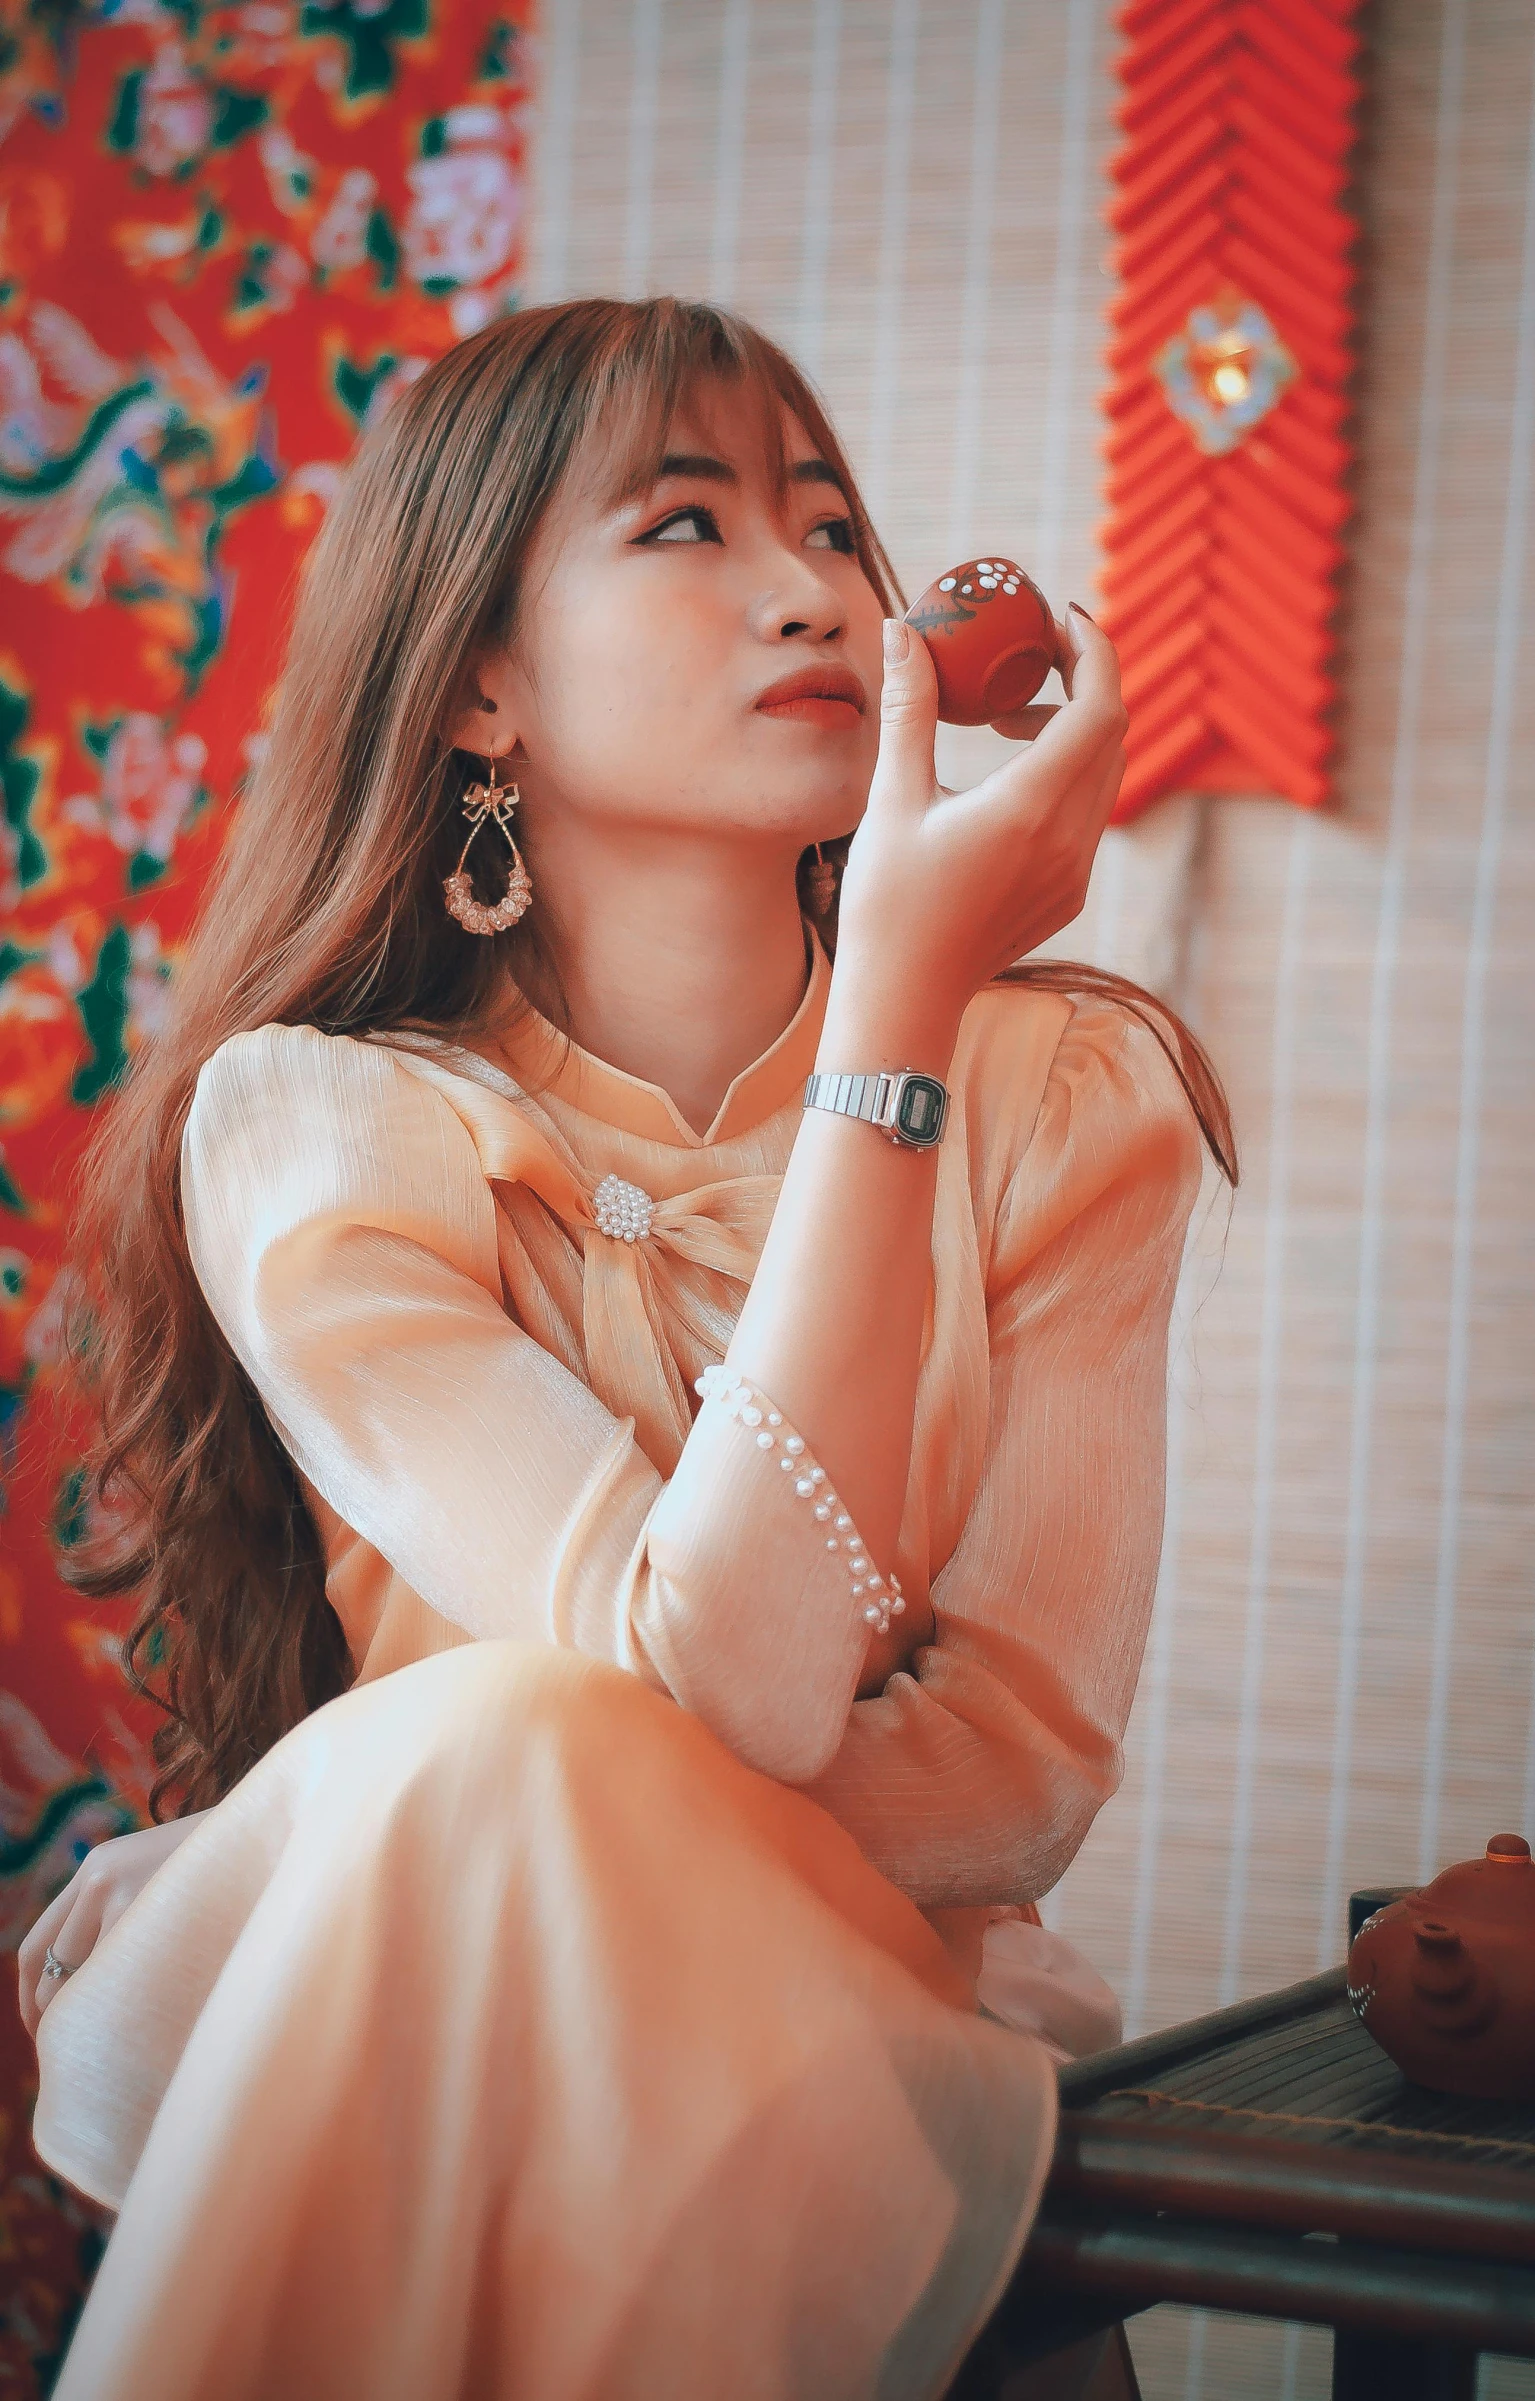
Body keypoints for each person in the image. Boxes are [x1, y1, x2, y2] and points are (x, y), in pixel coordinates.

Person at [19, 299, 1233, 2401]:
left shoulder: (1056, 1097)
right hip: (437, 2013)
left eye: (831, 525)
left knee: (517, 1740)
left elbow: (1012, 1770)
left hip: (860, 2020)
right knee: (516, 1747)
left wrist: (904, 1019)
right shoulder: (325, 1134)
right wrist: (898, 1030)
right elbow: (734, 1680)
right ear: (478, 678)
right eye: (686, 524)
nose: (813, 592)